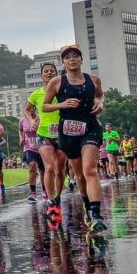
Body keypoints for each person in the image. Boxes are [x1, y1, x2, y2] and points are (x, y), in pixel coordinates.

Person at [42, 45, 107, 234]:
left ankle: (96, 214)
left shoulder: (93, 80)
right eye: (67, 57)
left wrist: (101, 102)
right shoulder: (56, 82)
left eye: (75, 56)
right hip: (68, 131)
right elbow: (45, 106)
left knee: (90, 169)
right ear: (63, 62)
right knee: (79, 174)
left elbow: (100, 95)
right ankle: (88, 206)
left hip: (90, 127)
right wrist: (62, 104)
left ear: (81, 59)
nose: (72, 59)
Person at [29, 62, 67, 220]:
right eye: (46, 71)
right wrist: (31, 120)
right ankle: (51, 201)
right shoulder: (36, 94)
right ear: (41, 75)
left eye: (52, 71)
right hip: (44, 134)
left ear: (57, 74)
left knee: (60, 170)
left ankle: (57, 197)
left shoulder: (63, 91)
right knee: (49, 167)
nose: (49, 73)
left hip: (62, 133)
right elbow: (27, 109)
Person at [19, 103, 43, 202]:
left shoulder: (40, 119)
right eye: (27, 109)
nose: (29, 110)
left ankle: (45, 191)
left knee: (43, 170)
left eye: (31, 108)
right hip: (29, 147)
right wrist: (21, 138)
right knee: (32, 166)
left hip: (42, 147)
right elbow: (20, 130)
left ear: (35, 108)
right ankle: (32, 193)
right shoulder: (22, 120)